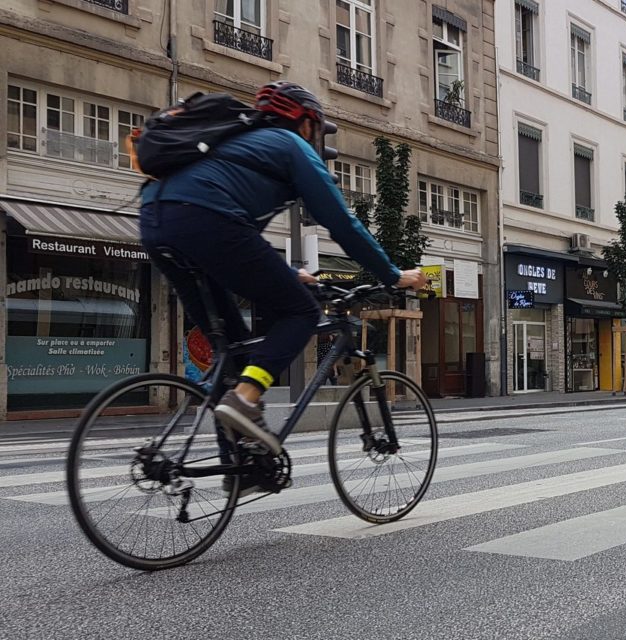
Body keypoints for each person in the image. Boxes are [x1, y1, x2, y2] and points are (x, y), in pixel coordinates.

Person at [139, 81, 426, 457]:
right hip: (207, 219)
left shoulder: (235, 142)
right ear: (307, 123)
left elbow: (240, 244)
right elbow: (342, 224)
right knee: (302, 313)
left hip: (154, 221)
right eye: (316, 129)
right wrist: (392, 275)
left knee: (233, 350)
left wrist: (291, 275)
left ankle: (239, 466)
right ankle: (245, 397)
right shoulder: (290, 145)